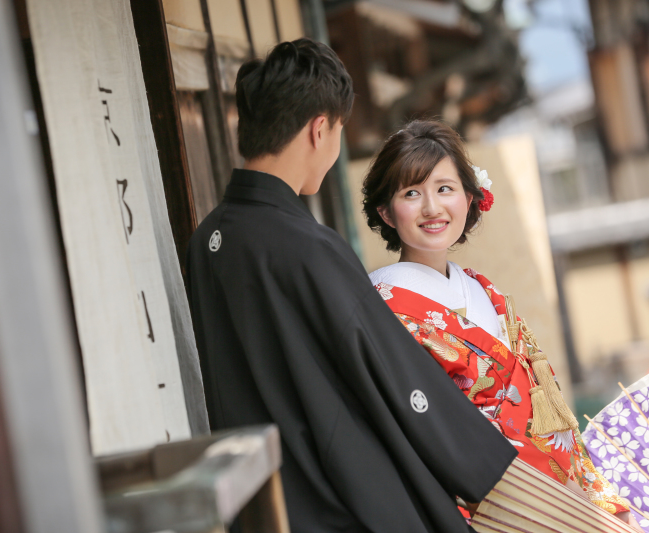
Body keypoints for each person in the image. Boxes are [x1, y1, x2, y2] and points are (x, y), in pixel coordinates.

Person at [187, 39, 516, 533]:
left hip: (256, 502)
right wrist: (486, 466)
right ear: (321, 129)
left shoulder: (206, 240)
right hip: (333, 502)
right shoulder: (307, 247)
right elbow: (399, 385)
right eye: (340, 130)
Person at [362, 119, 636, 525]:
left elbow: (543, 402)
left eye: (445, 189)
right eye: (411, 193)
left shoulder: (483, 289)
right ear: (386, 210)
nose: (432, 208)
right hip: (480, 502)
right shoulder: (380, 304)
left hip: (557, 492)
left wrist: (589, 497)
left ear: (470, 198)